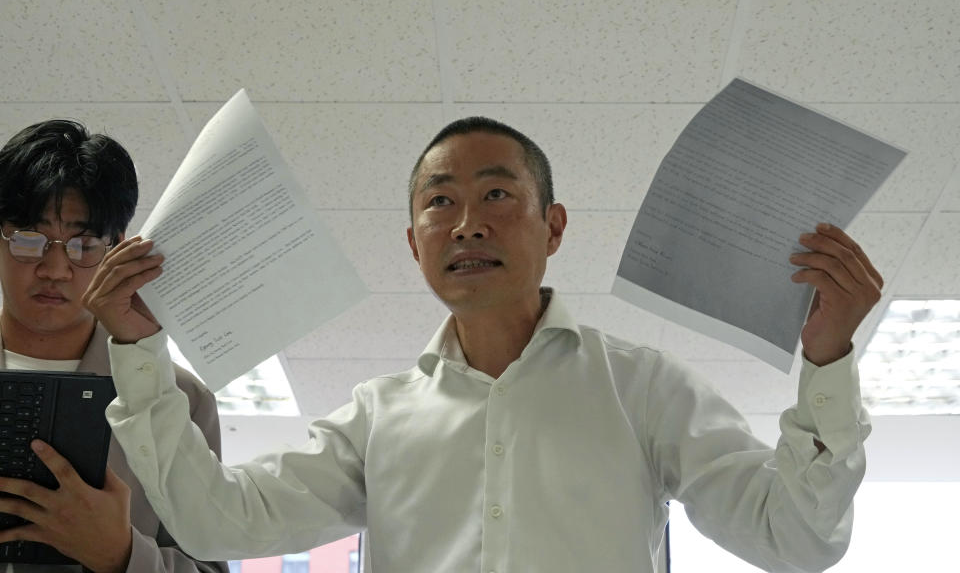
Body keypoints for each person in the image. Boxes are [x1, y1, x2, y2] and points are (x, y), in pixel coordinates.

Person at [87, 117, 877, 572]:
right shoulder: (379, 417)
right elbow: (218, 521)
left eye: (498, 193)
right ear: (413, 242)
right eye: (441, 202)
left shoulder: (643, 390)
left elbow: (797, 536)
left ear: (553, 226)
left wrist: (830, 363)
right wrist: (138, 350)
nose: (467, 222)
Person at [0, 120, 227, 573]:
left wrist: (121, 555)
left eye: (84, 244)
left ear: (117, 249)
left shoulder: (178, 400)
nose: (56, 269)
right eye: (30, 239)